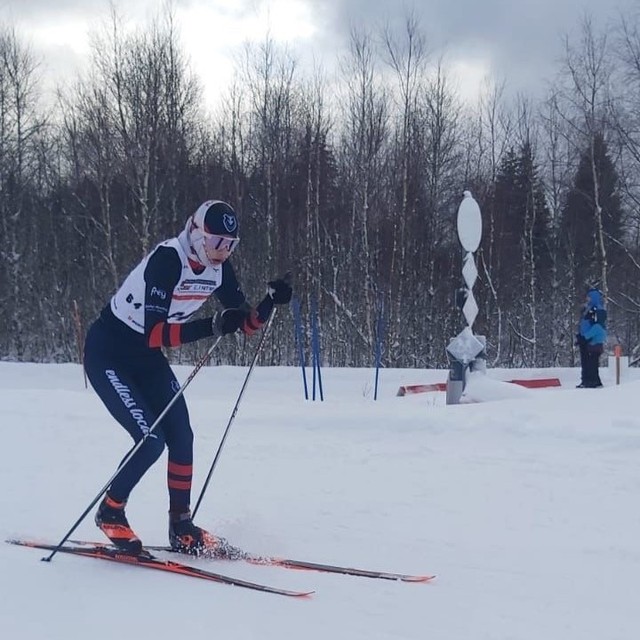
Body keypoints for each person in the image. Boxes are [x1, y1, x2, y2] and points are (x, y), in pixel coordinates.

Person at [83, 200, 292, 556]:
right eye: (216, 242)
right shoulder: (168, 260)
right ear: (196, 234)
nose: (222, 252)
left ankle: (181, 526)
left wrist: (270, 302)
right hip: (110, 355)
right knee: (150, 440)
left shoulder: (219, 270)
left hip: (146, 360)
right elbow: (154, 334)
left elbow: (244, 324)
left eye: (230, 245)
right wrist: (211, 326)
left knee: (182, 436)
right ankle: (110, 511)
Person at [575, 287, 607, 388]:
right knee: (586, 362)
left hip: (592, 341)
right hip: (586, 339)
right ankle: (588, 380)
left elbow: (598, 327)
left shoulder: (598, 309)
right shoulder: (588, 308)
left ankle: (591, 381)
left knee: (591, 362)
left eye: (589, 297)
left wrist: (586, 337)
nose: (587, 298)